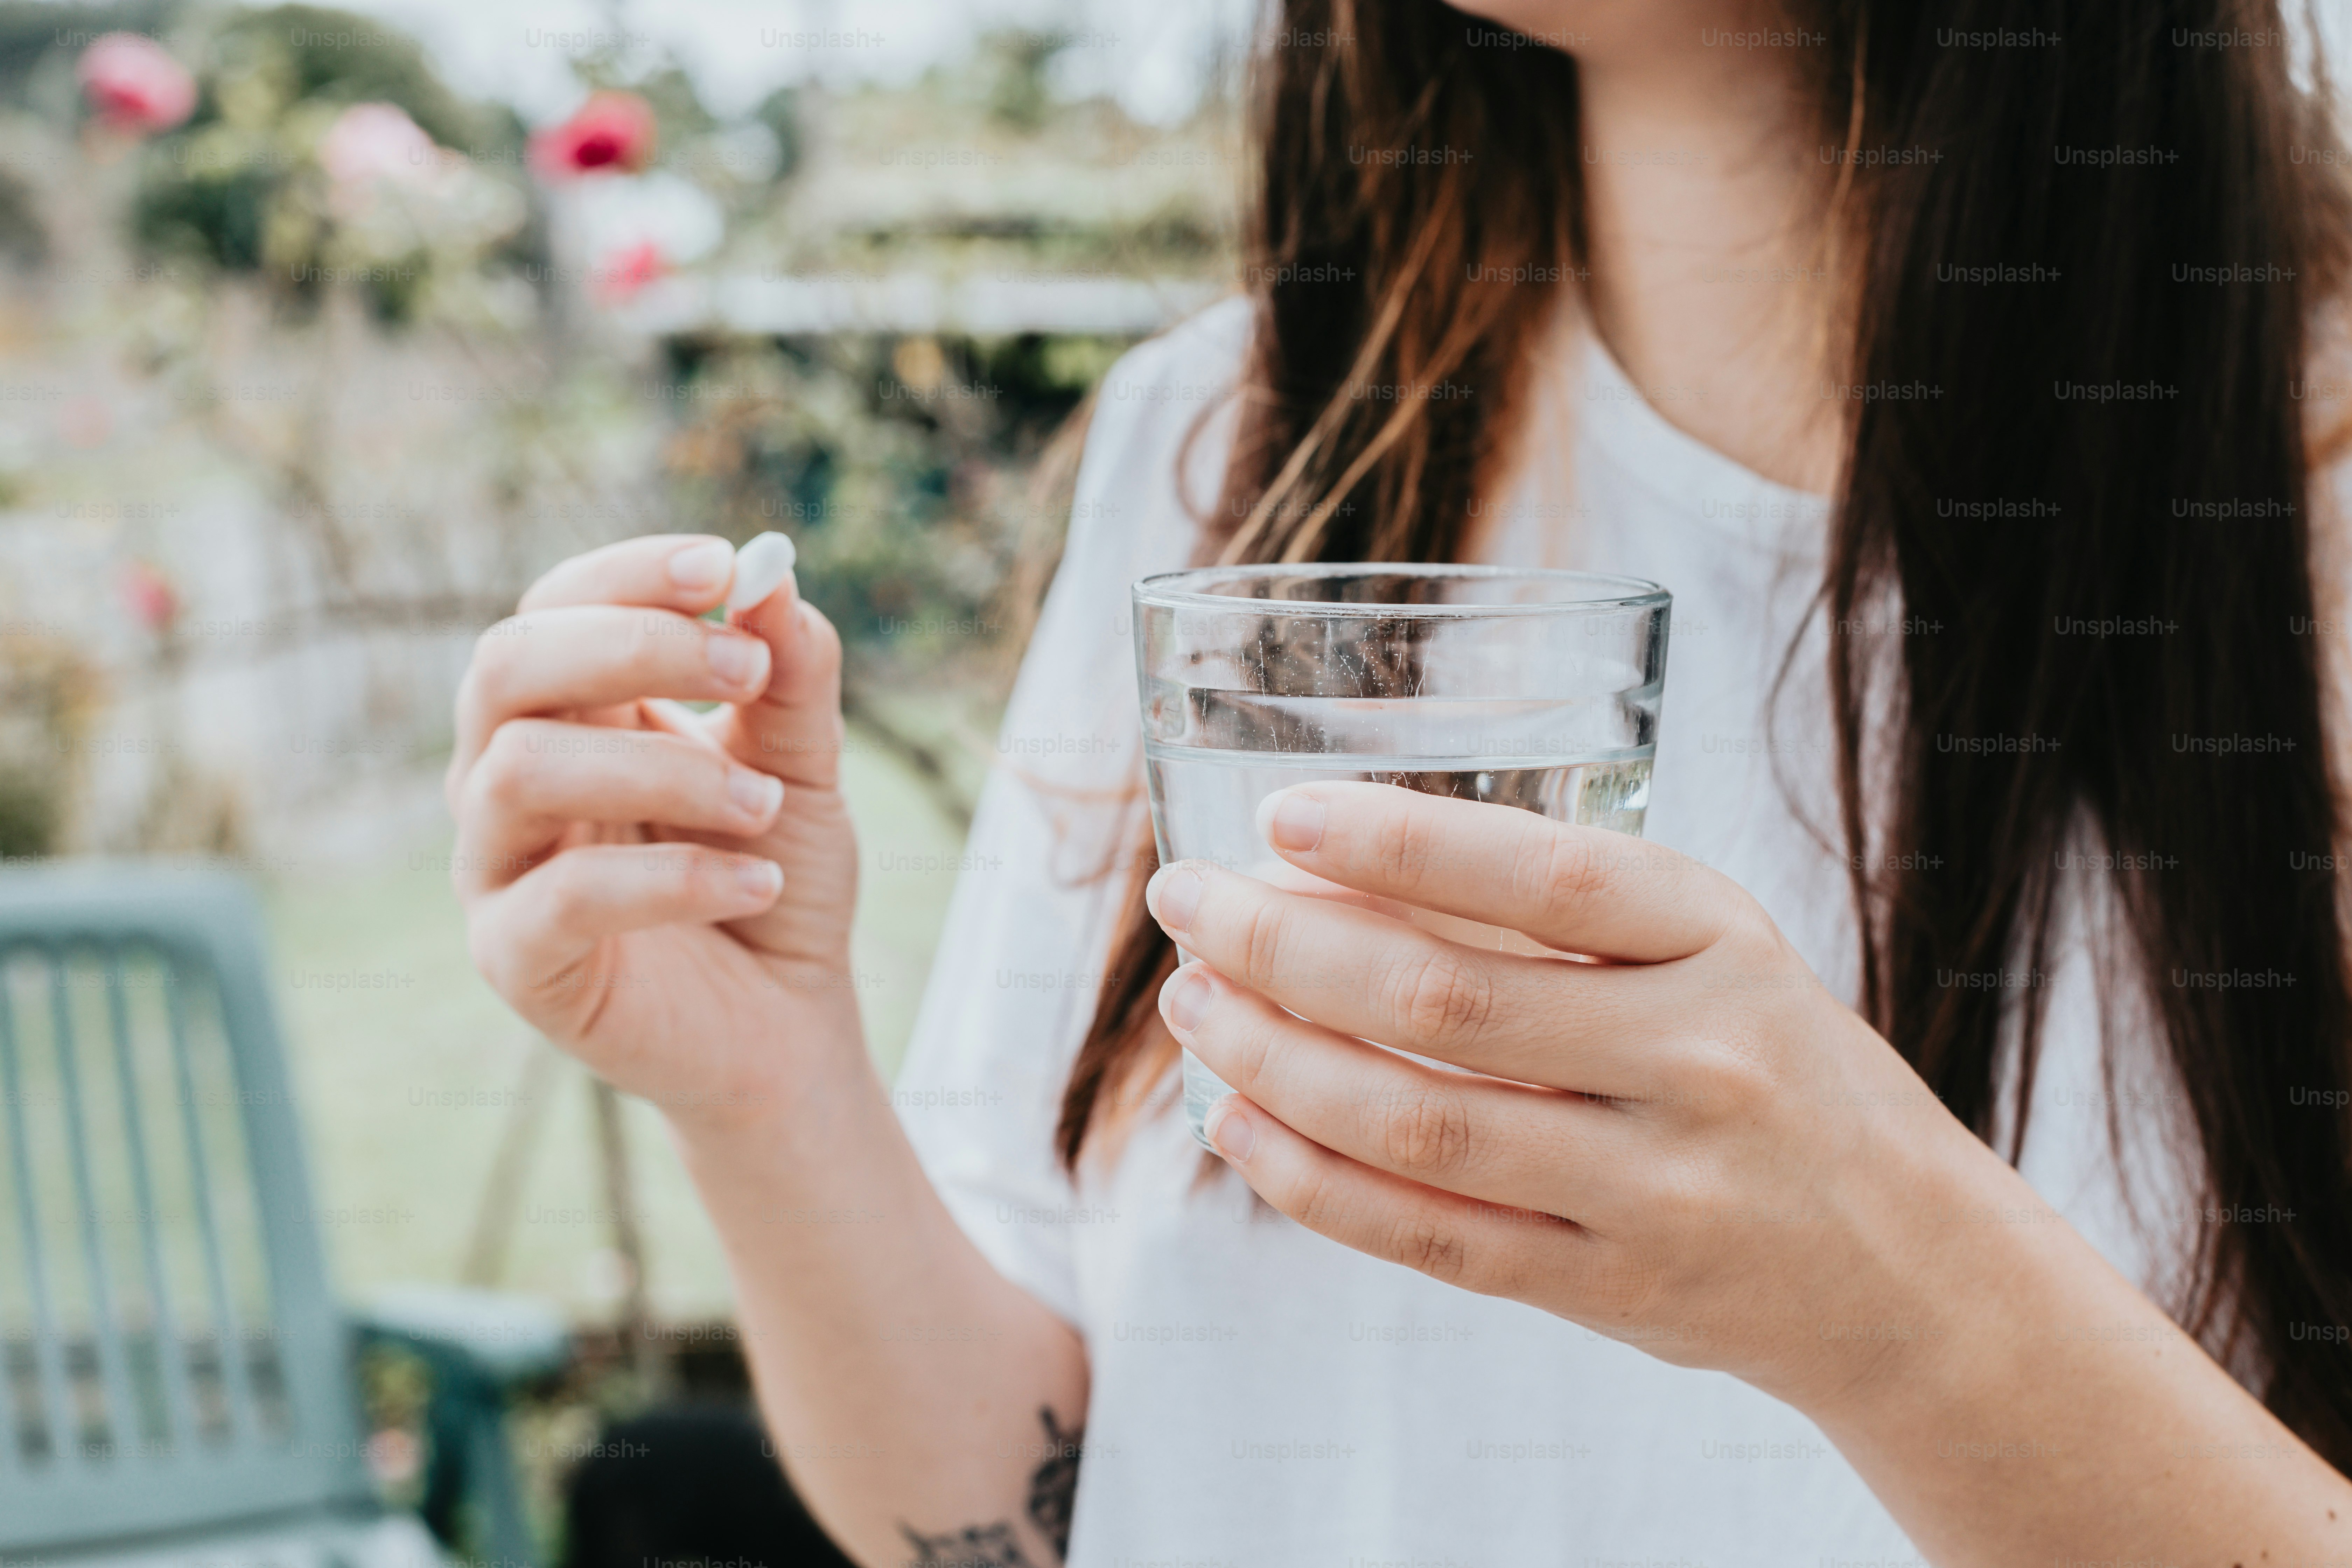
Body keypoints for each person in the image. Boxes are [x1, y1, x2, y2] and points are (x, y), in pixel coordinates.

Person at [443, 1, 2352, 1562]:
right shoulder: (1228, 452)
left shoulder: (2306, 507)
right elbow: (1019, 1526)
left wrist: (1900, 1297)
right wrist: (769, 1097)